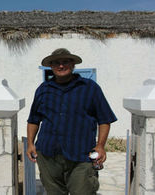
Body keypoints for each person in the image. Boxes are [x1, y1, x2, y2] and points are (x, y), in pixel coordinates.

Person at [26, 48, 117, 195]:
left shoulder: (89, 88)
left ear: (73, 64)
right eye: (56, 63)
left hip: (81, 155)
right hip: (48, 155)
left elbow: (104, 119)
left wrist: (100, 146)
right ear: (51, 66)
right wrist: (30, 143)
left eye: (65, 62)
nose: (61, 66)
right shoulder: (43, 89)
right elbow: (33, 120)